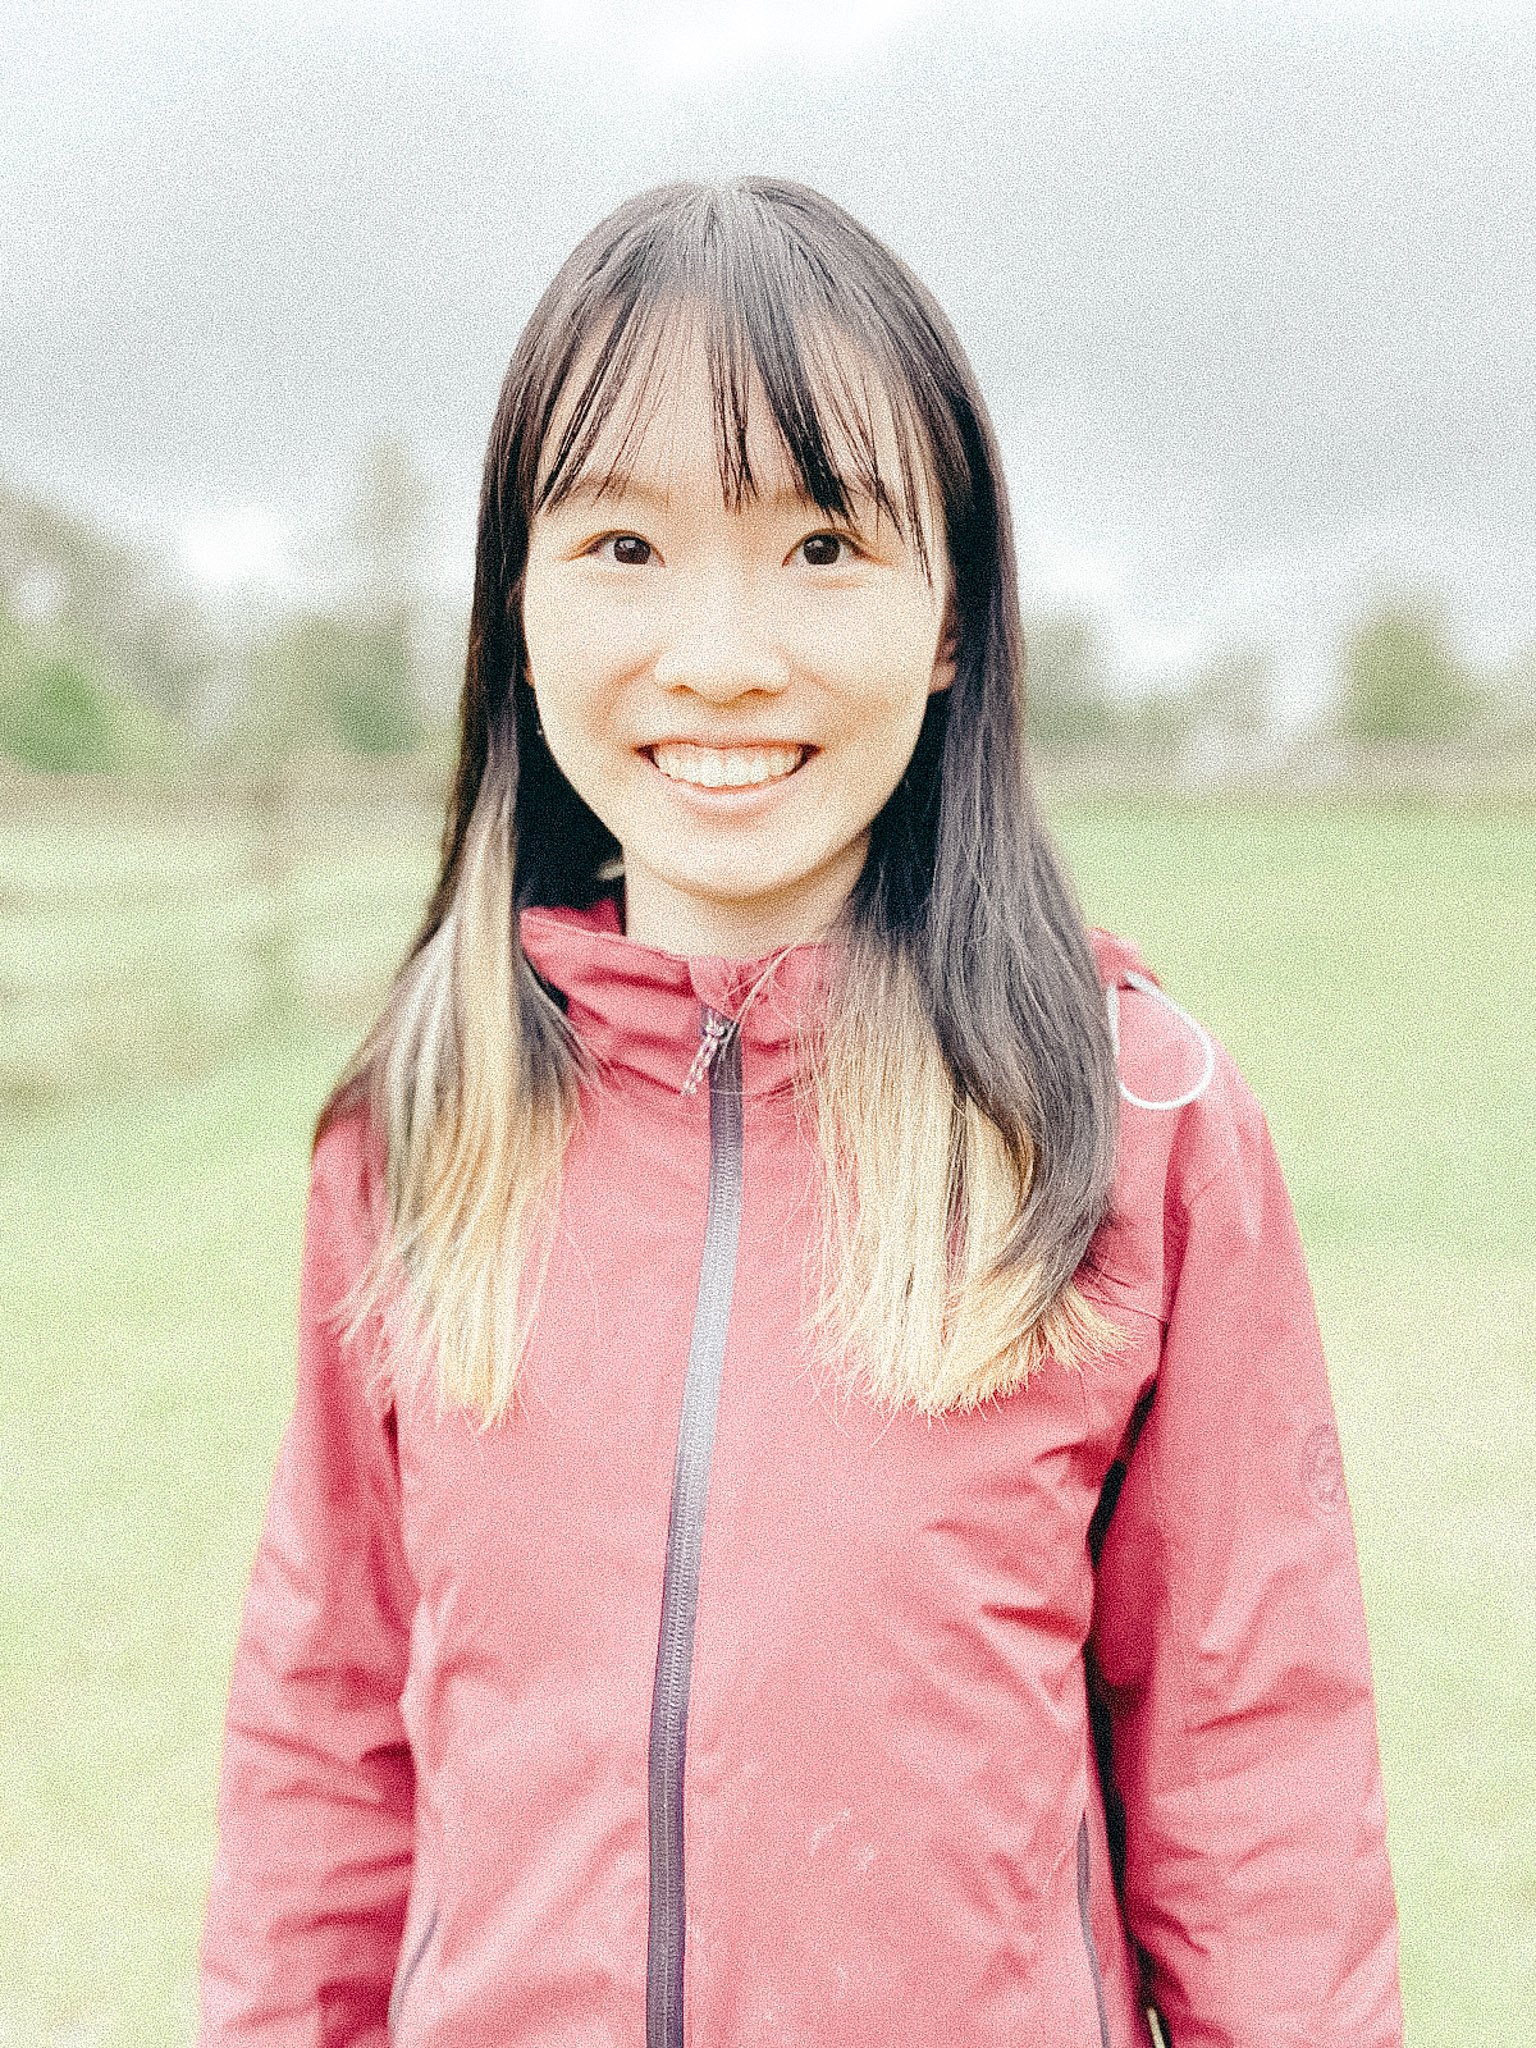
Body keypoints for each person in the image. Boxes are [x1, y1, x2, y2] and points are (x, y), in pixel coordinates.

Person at [198, 178, 1403, 2047]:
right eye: (623, 546)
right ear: (514, 606)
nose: (724, 654)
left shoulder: (1136, 1119)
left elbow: (1257, 1776)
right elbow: (328, 1735)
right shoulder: (412, 1131)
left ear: (951, 619)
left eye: (825, 544)